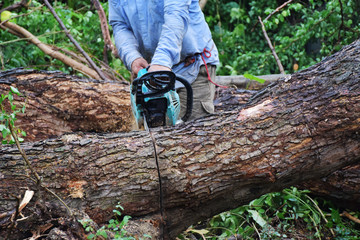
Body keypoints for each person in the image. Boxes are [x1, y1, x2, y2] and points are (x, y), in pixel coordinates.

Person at [109, 0, 220, 120]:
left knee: (193, 131)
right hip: (152, 72)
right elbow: (120, 25)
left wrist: (161, 61)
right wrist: (132, 57)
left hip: (191, 67)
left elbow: (176, 14)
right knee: (155, 131)